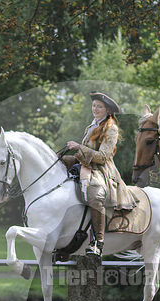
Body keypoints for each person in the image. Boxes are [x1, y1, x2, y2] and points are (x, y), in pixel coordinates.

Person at [63, 92, 137, 257]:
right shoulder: (90, 126)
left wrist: (79, 147)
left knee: (95, 194)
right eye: (94, 105)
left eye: (99, 107)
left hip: (101, 170)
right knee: (59, 162)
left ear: (107, 110)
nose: (95, 109)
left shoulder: (111, 129)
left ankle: (98, 242)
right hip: (85, 164)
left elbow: (103, 157)